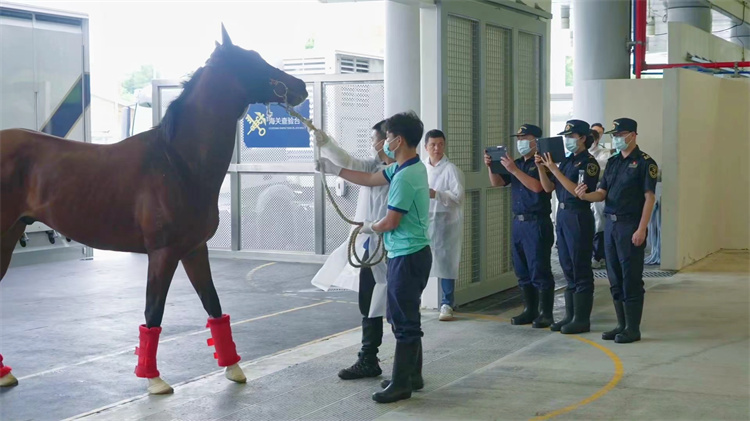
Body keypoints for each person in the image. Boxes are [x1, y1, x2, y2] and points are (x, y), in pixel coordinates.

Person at [316, 111, 432, 403]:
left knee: (403, 321)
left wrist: (371, 226)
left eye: (388, 137)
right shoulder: (405, 167)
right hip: (406, 254)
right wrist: (335, 169)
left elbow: (391, 221)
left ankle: (401, 384)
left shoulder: (405, 177)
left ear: (398, 139)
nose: (384, 143)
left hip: (407, 256)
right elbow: (368, 177)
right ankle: (411, 376)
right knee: (405, 318)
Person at [310, 120, 394, 380]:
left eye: (375, 140)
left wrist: (335, 167)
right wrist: (326, 143)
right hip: (372, 248)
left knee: (400, 309)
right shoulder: (375, 166)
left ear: (389, 140)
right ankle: (369, 357)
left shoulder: (402, 171)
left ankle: (408, 368)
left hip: (395, 247)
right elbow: (350, 162)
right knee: (369, 302)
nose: (373, 145)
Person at [576, 118, 658, 344]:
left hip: (630, 225)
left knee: (630, 277)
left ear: (633, 135)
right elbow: (602, 193)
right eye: (615, 134)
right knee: (614, 277)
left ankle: (633, 328)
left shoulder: (644, 163)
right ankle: (621, 324)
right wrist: (585, 196)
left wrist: (642, 229)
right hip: (610, 226)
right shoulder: (612, 162)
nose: (617, 138)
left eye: (621, 134)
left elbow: (649, 198)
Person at [484, 124, 555, 328]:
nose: (521, 142)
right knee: (522, 269)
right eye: (519, 138)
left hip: (536, 222)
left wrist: (514, 170)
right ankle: (529, 309)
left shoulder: (543, 163)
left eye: (525, 138)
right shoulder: (516, 163)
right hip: (519, 222)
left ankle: (545, 313)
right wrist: (491, 166)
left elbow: (538, 188)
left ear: (536, 141)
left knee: (539, 268)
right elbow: (497, 183)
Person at [538, 120, 600, 334]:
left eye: (571, 136)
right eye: (566, 137)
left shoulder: (588, 163)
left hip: (578, 215)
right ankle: (570, 315)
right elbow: (548, 188)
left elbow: (577, 191)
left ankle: (581, 319)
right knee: (566, 265)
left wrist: (554, 169)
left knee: (579, 265)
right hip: (563, 214)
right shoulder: (566, 162)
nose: (568, 141)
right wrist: (542, 169)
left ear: (583, 138)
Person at [423, 129, 465, 321]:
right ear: (426, 147)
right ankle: (416, 299)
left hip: (445, 221)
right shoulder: (420, 168)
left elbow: (458, 197)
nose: (437, 148)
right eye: (433, 144)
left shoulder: (451, 170)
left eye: (440, 144)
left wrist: (437, 194)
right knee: (422, 260)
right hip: (423, 220)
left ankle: (447, 303)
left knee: (446, 261)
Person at [589, 124, 612, 269]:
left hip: (598, 194)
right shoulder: (576, 155)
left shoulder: (604, 153)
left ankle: (599, 256)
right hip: (583, 196)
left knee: (599, 224)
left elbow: (601, 166)